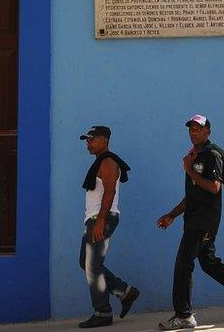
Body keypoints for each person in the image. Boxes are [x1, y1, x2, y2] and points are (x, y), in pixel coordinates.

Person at [156, 114, 224, 330]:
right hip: (195, 220)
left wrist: (188, 170)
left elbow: (215, 187)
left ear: (208, 131)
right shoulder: (193, 156)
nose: (193, 132)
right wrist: (171, 215)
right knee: (208, 263)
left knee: (183, 264)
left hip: (203, 222)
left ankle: (184, 315)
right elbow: (192, 195)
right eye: (191, 129)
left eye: (198, 128)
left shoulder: (211, 155)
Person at [77, 125, 140, 328]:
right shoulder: (100, 162)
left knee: (92, 266)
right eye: (87, 140)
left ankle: (103, 312)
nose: (89, 143)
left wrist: (100, 221)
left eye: (92, 139)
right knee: (85, 262)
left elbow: (110, 193)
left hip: (102, 218)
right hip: (94, 218)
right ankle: (125, 292)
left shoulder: (109, 163)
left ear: (104, 140)